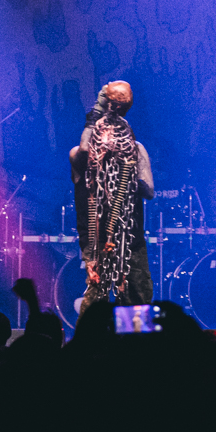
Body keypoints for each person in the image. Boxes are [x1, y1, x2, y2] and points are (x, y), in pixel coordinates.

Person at [68, 81, 154, 313]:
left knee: (135, 302)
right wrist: (97, 111)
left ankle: (133, 348)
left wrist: (127, 179)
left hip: (129, 241)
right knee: (96, 301)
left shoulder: (135, 150)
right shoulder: (80, 155)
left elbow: (149, 192)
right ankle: (93, 347)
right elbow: (85, 150)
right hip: (96, 243)